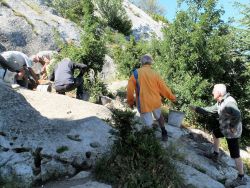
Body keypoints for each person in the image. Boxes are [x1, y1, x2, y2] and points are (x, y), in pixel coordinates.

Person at [190, 84, 247, 187]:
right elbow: (210, 110)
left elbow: (238, 114)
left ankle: (241, 177)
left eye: (213, 91)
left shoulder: (229, 103)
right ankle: (215, 155)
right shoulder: (221, 101)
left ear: (219, 93)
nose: (212, 92)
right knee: (215, 133)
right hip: (226, 128)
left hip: (232, 132)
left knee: (235, 155)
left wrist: (233, 127)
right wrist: (197, 109)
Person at [127, 54, 176, 141]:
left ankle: (151, 142)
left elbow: (130, 90)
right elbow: (163, 88)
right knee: (159, 116)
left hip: (143, 103)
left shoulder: (135, 73)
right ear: (151, 63)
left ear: (141, 63)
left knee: (148, 123)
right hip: (155, 101)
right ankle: (164, 133)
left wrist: (130, 102)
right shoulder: (155, 74)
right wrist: (172, 97)